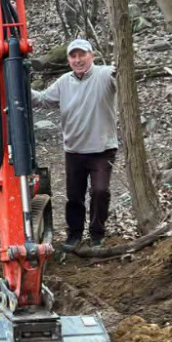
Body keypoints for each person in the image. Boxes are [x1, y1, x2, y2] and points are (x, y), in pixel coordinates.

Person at [32, 38, 118, 250]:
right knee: (74, 196)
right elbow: (42, 99)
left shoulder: (106, 74)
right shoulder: (64, 82)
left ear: (92, 56)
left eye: (82, 55)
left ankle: (97, 234)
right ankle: (74, 235)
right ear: (69, 59)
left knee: (100, 191)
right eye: (73, 56)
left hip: (103, 148)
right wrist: (18, 85)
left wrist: (121, 69)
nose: (78, 60)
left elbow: (122, 80)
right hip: (74, 150)